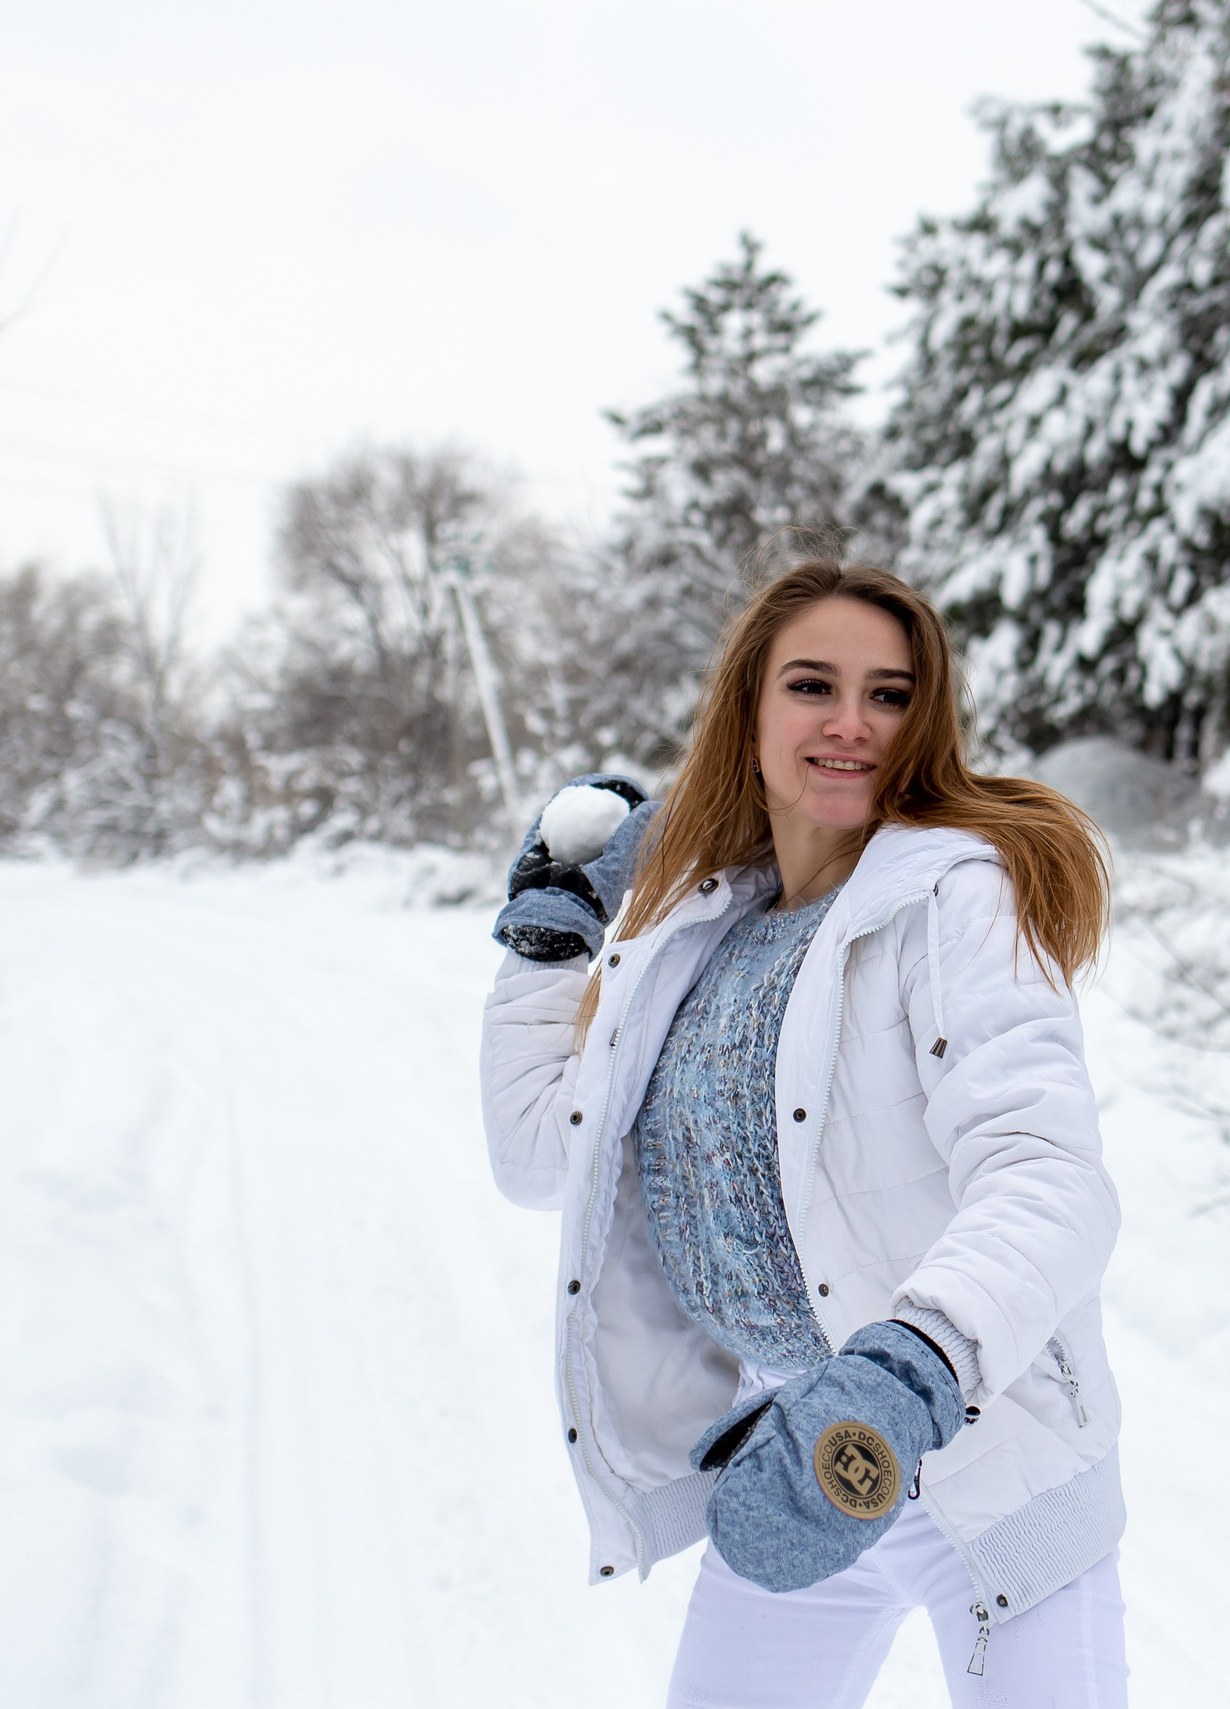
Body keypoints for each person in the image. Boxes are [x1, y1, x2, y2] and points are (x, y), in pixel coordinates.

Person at [480, 561, 1126, 1708]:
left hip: (979, 1456)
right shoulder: (695, 927)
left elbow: (1047, 1176)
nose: (850, 722)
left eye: (888, 693)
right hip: (796, 1464)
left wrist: (906, 1369)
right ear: (750, 709)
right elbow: (538, 1154)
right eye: (812, 683)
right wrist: (549, 945)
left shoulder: (955, 897)